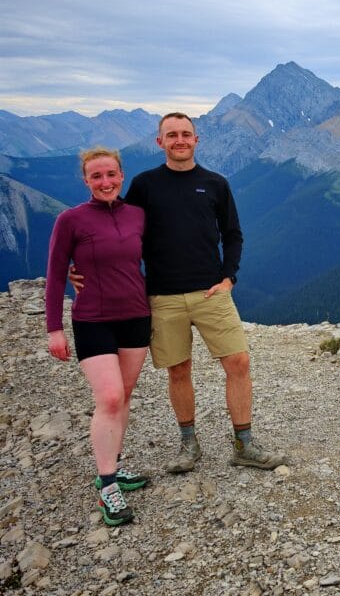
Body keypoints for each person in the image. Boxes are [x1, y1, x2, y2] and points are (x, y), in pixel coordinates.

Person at [75, 112, 286, 473]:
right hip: (162, 296)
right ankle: (190, 446)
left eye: (186, 134)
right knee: (179, 370)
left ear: (196, 139)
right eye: (171, 135)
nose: (179, 140)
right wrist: (78, 265)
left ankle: (244, 444)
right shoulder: (144, 185)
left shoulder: (216, 184)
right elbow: (116, 230)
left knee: (238, 363)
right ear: (160, 142)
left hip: (211, 292)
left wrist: (228, 278)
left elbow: (233, 234)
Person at [46, 147, 151, 526]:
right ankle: (107, 484)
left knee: (124, 395)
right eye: (96, 176)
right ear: (86, 180)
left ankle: (115, 465)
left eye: (111, 174)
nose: (105, 182)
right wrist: (54, 328)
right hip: (92, 319)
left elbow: (156, 256)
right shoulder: (70, 220)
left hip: (136, 316)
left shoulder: (138, 215)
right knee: (109, 397)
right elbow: (57, 273)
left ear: (122, 175)